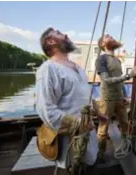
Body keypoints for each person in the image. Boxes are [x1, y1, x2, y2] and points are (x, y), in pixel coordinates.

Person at [35, 27, 106, 174]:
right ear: (51, 41)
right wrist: (80, 124)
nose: (66, 34)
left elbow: (86, 95)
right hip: (69, 143)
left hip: (89, 136)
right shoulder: (48, 69)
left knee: (90, 165)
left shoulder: (78, 68)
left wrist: (98, 113)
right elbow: (46, 110)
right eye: (59, 33)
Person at [95, 34, 136, 162]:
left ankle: (126, 146)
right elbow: (106, 80)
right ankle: (101, 154)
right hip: (107, 99)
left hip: (120, 98)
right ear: (103, 44)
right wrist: (128, 76)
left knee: (125, 124)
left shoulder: (118, 60)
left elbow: (120, 82)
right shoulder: (101, 59)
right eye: (107, 36)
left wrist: (125, 95)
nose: (111, 37)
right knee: (103, 129)